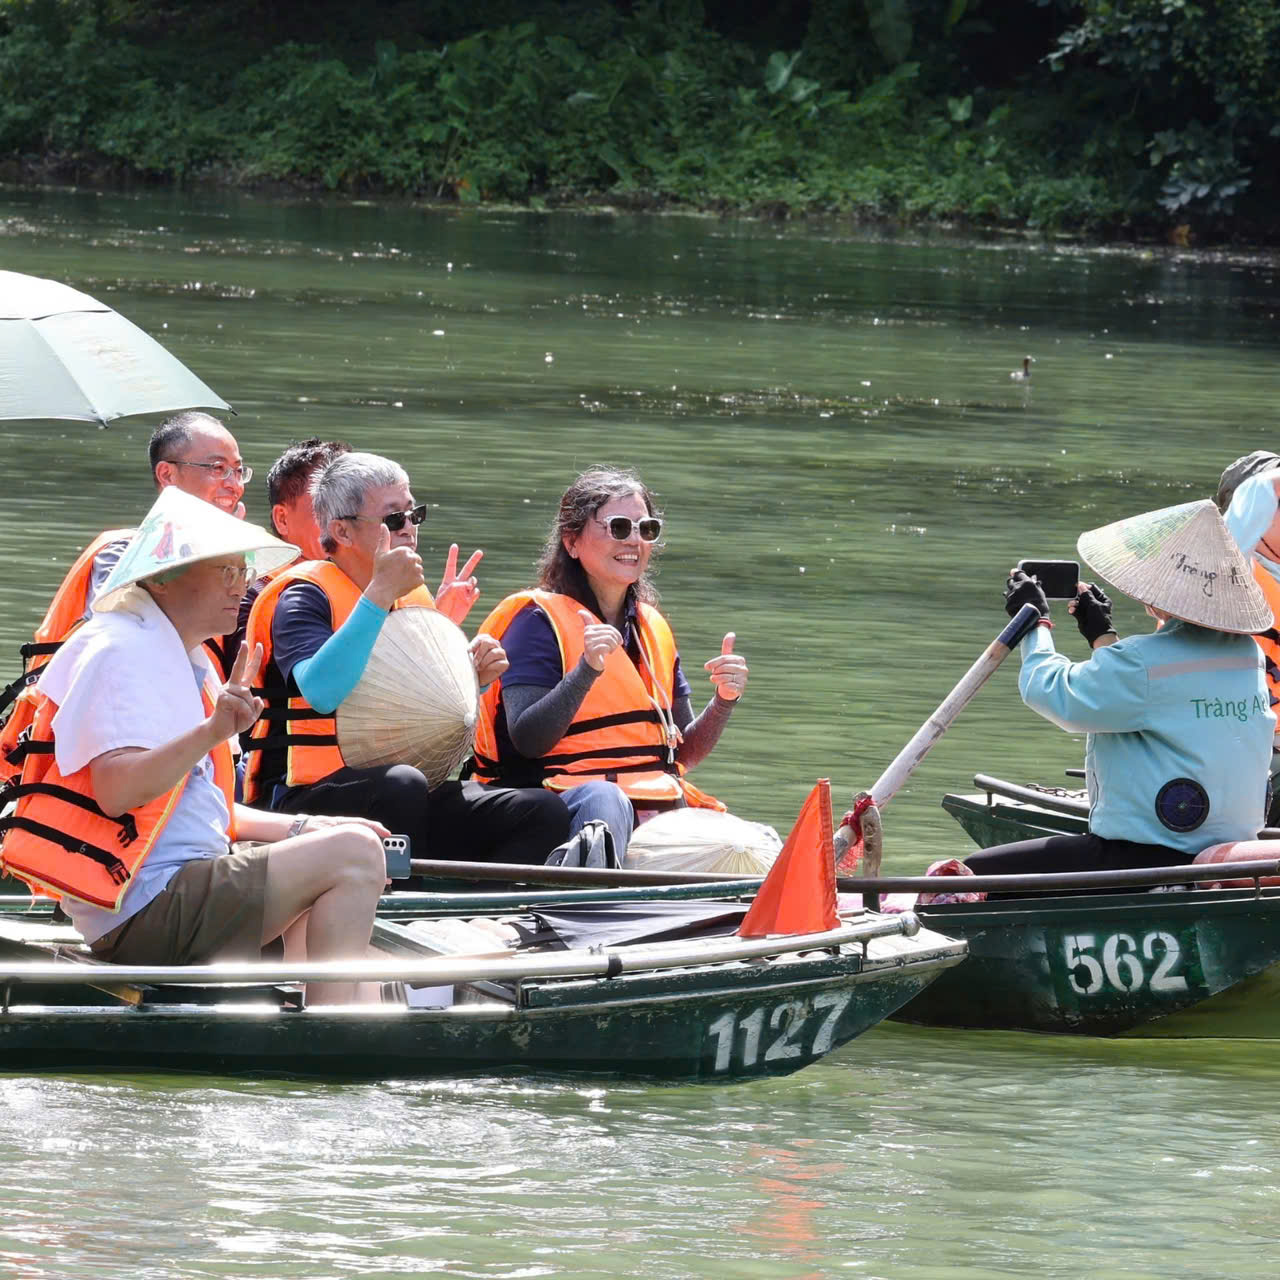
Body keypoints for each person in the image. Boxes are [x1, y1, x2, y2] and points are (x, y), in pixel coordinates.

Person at [0, 488, 387, 1005]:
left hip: (174, 889)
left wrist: (307, 826)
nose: (242, 586)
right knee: (357, 856)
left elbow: (204, 807)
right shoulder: (120, 650)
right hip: (144, 906)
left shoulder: (182, 654)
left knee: (339, 865)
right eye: (225, 571)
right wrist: (213, 732)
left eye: (243, 571)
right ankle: (336, 1043)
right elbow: (118, 790)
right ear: (162, 577)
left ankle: (319, 1024)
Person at [242, 451, 569, 863]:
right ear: (342, 531)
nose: (410, 528)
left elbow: (423, 704)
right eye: (394, 518)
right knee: (402, 786)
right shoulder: (304, 596)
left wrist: (474, 679)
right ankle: (399, 904)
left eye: (414, 514)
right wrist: (378, 594)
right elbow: (322, 692)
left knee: (539, 811)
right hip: (302, 797)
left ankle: (473, 915)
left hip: (402, 787)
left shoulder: (411, 597)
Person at [966, 498, 1275, 881]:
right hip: (1225, 838)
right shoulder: (1247, 655)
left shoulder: (1144, 661)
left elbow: (1049, 691)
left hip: (1147, 853)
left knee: (965, 875)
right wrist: (1102, 636)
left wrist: (1036, 624)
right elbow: (1155, 696)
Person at [470, 466, 748, 855]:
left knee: (742, 843)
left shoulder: (651, 628)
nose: (634, 539)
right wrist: (587, 670)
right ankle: (596, 905)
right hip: (552, 804)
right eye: (618, 527)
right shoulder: (535, 623)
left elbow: (683, 753)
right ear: (572, 542)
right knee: (607, 800)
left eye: (646, 529)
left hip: (649, 805)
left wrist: (724, 700)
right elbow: (529, 740)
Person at [0, 412, 251, 777]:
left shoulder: (241, 559)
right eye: (217, 468)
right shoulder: (122, 554)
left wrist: (230, 553)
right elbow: (127, 653)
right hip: (124, 751)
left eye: (238, 471)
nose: (233, 484)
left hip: (204, 747)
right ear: (168, 476)